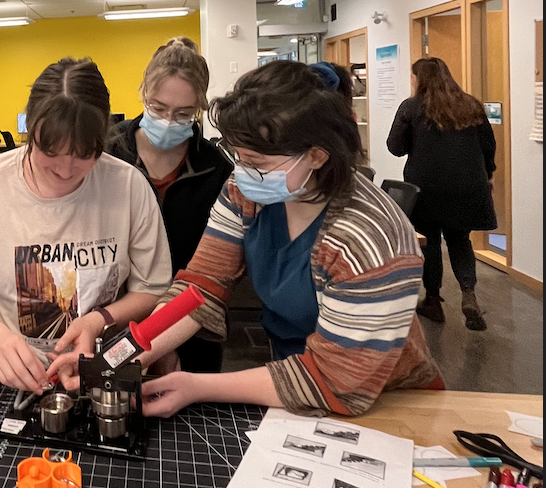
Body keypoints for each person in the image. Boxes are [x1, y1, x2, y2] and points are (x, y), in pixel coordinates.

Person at [135, 61, 443, 419]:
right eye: (237, 156)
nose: (241, 171)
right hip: (293, 382)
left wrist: (197, 386)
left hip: (388, 402)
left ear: (316, 155)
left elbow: (336, 382)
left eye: (256, 161)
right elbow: (202, 286)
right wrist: (129, 352)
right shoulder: (247, 190)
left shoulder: (366, 237)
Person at [0, 58, 173, 391]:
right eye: (50, 150)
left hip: (104, 372)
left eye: (84, 153)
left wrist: (97, 320)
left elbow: (152, 288)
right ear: (30, 129)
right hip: (6, 379)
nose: (66, 168)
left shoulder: (128, 186)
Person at [107, 37, 233, 374]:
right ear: (143, 94)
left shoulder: (215, 167)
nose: (167, 120)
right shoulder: (109, 151)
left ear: (200, 109)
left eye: (183, 114)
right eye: (158, 108)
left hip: (190, 324)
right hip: (114, 318)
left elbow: (218, 267)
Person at [387, 57, 497, 331]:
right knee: (461, 240)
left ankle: (433, 300)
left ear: (419, 79)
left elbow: (395, 147)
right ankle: (468, 294)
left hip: (427, 188)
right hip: (468, 186)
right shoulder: (470, 104)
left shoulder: (411, 107)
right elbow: (488, 146)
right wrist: (487, 175)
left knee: (431, 243)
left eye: (413, 77)